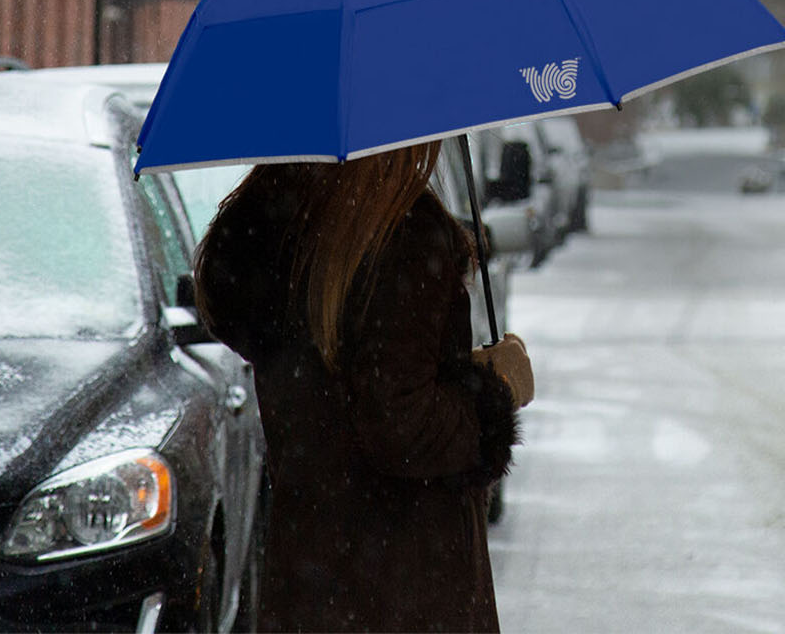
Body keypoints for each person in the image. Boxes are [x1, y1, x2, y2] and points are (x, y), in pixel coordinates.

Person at [192, 142, 533, 633]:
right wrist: (496, 388)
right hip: (403, 588)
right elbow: (402, 424)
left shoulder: (282, 228)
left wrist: (458, 372)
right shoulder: (401, 239)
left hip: (314, 580)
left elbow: (353, 382)